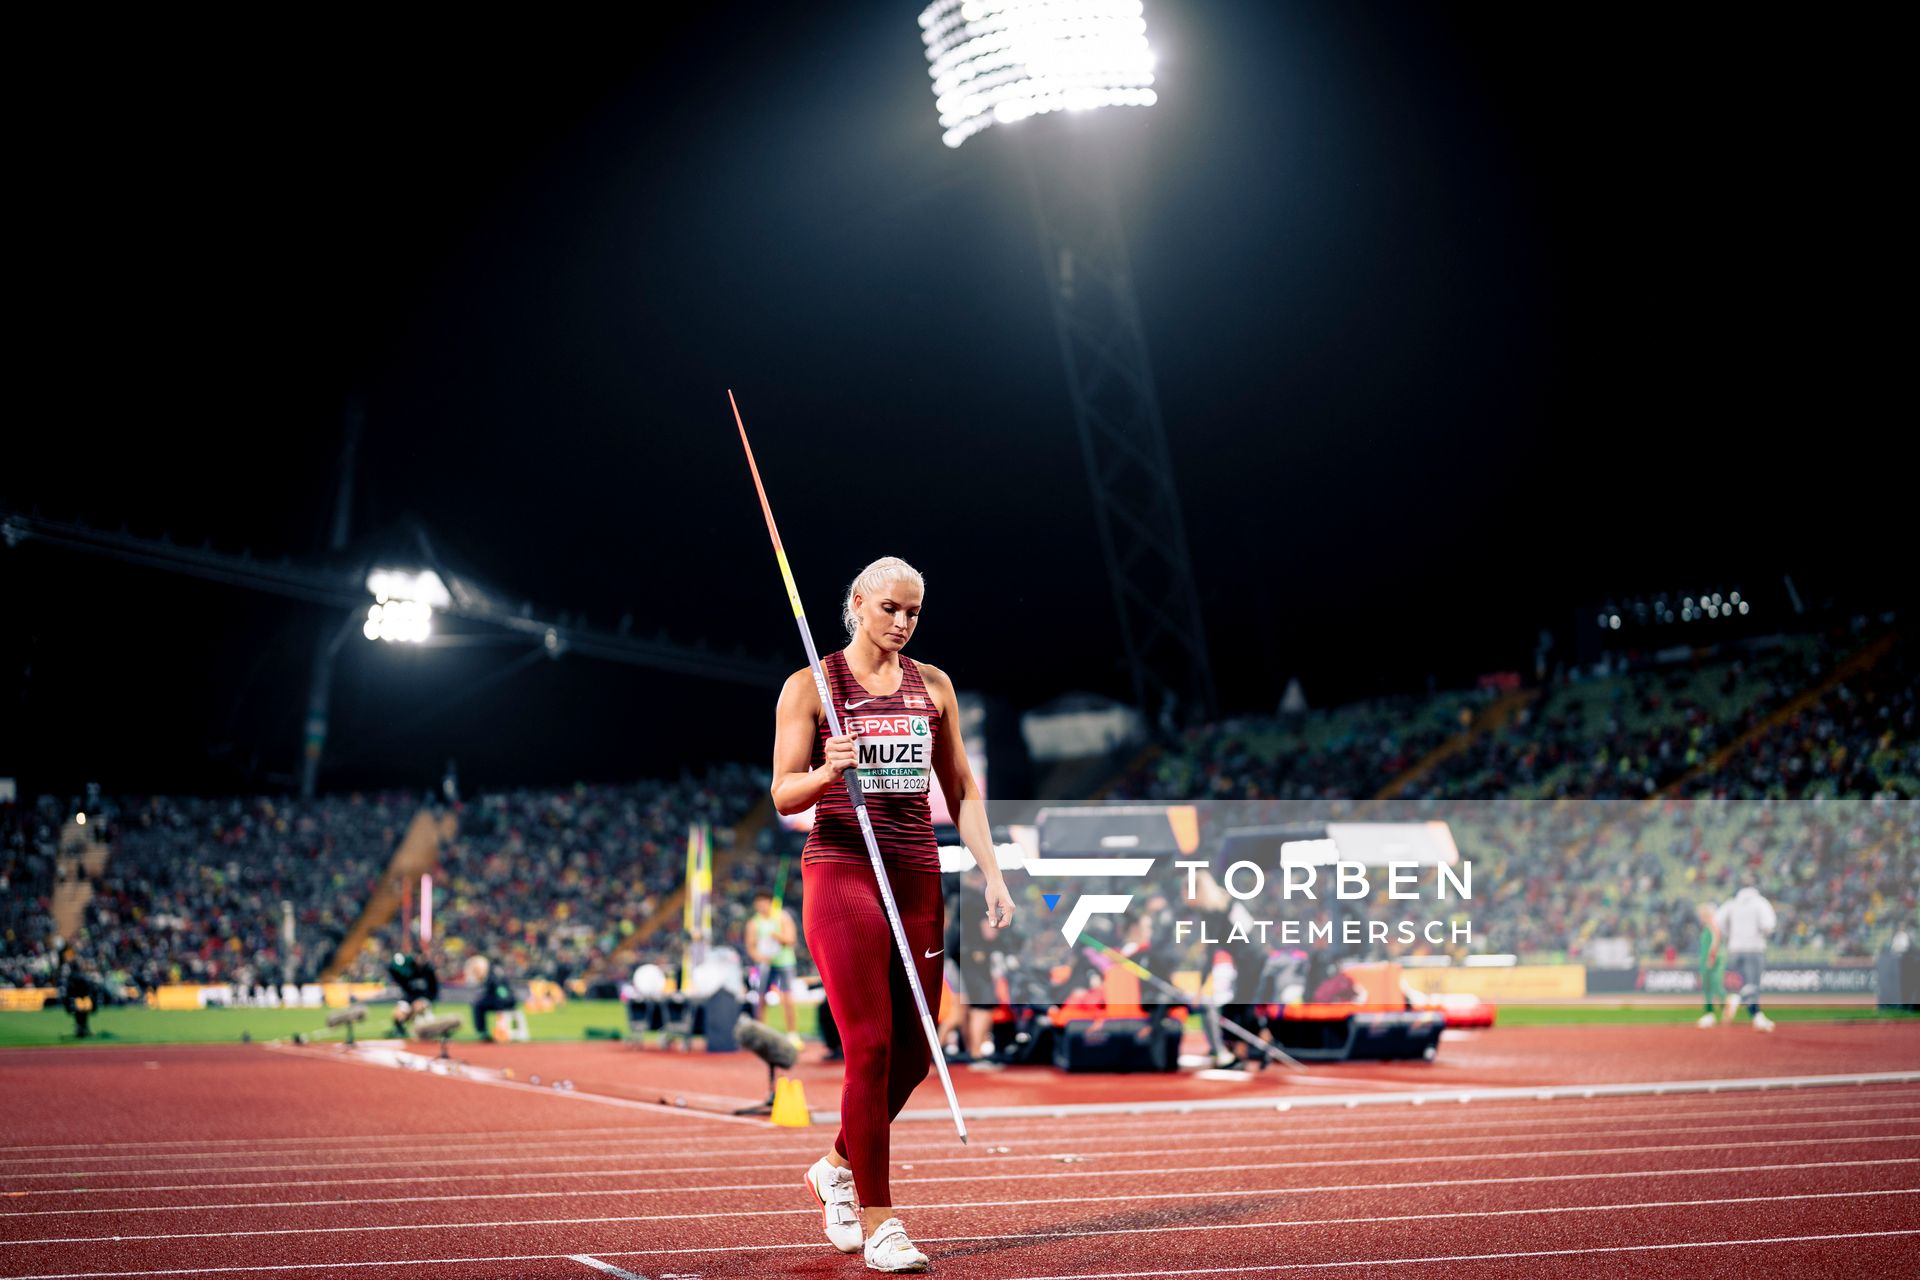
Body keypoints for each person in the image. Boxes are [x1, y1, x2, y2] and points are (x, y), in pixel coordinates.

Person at [772, 555, 1014, 1272]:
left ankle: (835, 1166)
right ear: (857, 604)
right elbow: (783, 794)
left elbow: (964, 787)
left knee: (916, 1054)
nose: (902, 623)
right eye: (889, 609)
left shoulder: (933, 686)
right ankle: (880, 1222)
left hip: (915, 871)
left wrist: (992, 873)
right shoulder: (811, 686)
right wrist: (826, 771)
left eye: (913, 612)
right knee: (870, 1048)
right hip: (843, 868)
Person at [1715, 882, 1777, 1032]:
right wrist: (1761, 935)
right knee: (1752, 985)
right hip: (1754, 948)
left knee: (1743, 983)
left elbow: (1717, 921)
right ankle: (1745, 1006)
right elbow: (1768, 925)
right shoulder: (1760, 903)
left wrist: (1729, 935)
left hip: (1734, 949)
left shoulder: (1732, 903)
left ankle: (1751, 1012)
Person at [747, 891, 801, 1042]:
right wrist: (760, 957)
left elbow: (791, 940)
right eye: (758, 902)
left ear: (770, 902)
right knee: (760, 998)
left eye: (764, 901)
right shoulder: (754, 923)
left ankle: (792, 1035)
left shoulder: (782, 917)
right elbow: (751, 947)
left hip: (785, 963)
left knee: (788, 998)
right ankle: (760, 1033)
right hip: (764, 964)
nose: (761, 905)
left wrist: (778, 936)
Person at [386, 950, 440, 1037]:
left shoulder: (429, 971)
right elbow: (394, 971)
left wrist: (429, 1000)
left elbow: (434, 989)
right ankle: (400, 1029)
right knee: (398, 1012)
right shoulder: (408, 970)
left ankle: (423, 1029)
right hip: (409, 998)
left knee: (418, 1005)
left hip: (423, 999)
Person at [466, 955, 518, 1039]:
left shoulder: (491, 972)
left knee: (477, 1005)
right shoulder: (498, 970)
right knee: (480, 1003)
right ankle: (484, 1031)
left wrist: (504, 999)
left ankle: (482, 1032)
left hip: (502, 1001)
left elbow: (497, 987)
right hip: (508, 1000)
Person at [1695, 902, 1726, 1028]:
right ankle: (1710, 1014)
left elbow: (1716, 939)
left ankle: (1726, 1005)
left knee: (1714, 985)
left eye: (1702, 915)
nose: (1700, 917)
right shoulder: (1708, 926)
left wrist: (1711, 957)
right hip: (1706, 960)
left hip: (1712, 960)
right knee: (1708, 987)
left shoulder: (1712, 925)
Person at [58, 945, 96, 1039]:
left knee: (80, 1013)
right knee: (82, 1013)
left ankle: (80, 1028)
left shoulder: (72, 976)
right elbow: (88, 988)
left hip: (77, 999)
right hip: (80, 999)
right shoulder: (80, 977)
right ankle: (82, 1028)